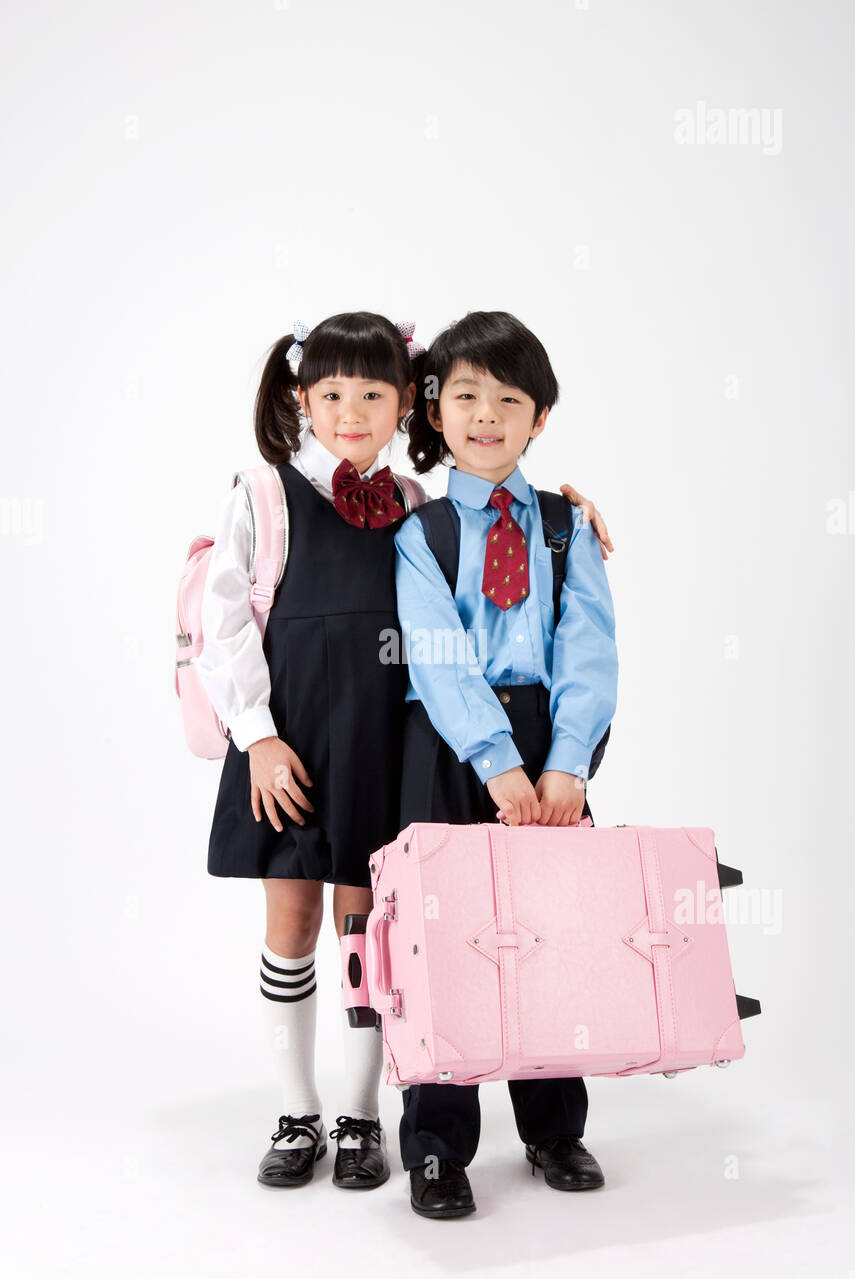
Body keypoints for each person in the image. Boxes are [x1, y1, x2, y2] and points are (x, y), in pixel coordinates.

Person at [198, 310, 614, 1194]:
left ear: (403, 408)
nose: (354, 410)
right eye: (334, 392)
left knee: (493, 930)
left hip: (415, 747)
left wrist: (566, 757)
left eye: (375, 393)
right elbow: (235, 620)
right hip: (329, 741)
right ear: (302, 397)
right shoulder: (281, 499)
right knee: (387, 937)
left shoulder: (432, 508)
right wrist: (258, 735)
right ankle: (350, 1121)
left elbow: (588, 647)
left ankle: (414, 1119)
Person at [394, 310, 618, 1219]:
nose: (487, 415)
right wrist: (493, 761)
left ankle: (554, 1127)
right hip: (449, 743)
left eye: (510, 399)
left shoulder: (566, 523)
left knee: (552, 932)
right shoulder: (424, 532)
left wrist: (567, 762)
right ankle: (438, 1147)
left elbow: (590, 647)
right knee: (447, 939)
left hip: (549, 743)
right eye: (467, 395)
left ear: (541, 418)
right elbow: (435, 653)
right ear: (437, 408)